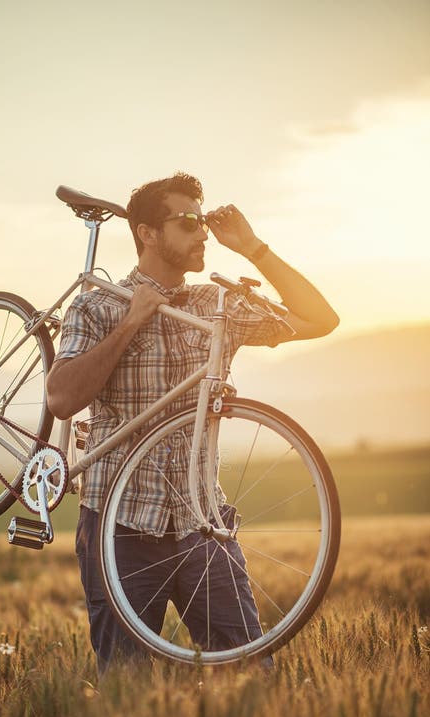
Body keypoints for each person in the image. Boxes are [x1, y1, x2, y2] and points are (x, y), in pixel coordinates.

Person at [46, 172, 339, 672]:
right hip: (120, 526)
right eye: (187, 223)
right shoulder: (98, 304)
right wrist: (133, 320)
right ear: (147, 233)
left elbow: (319, 320)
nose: (202, 233)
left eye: (202, 222)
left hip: (203, 523)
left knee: (249, 681)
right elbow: (62, 397)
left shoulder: (216, 306)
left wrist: (253, 249)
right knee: (127, 689)